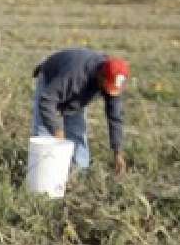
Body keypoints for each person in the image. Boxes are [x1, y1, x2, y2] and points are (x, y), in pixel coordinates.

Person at [31, 48, 130, 176]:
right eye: (107, 86)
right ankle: (43, 177)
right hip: (52, 78)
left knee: (76, 131)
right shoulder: (76, 75)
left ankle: (78, 175)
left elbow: (115, 117)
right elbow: (47, 100)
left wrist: (118, 152)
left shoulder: (114, 81)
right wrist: (56, 130)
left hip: (79, 91)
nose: (108, 92)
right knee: (45, 133)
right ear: (101, 75)